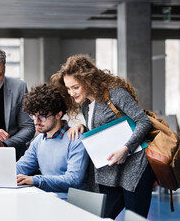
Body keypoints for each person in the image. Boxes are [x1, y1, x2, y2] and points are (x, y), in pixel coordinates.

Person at [50, 54, 156, 219]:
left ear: (88, 79)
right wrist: (82, 126)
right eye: (68, 88)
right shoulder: (86, 105)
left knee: (135, 218)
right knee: (100, 216)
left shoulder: (115, 94)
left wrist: (126, 148)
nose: (71, 93)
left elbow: (143, 122)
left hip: (136, 169)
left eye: (75, 87)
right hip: (112, 173)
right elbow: (104, 128)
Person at [16, 83, 89, 198]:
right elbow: (21, 167)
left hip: (72, 203)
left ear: (58, 115)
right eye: (33, 116)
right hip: (47, 200)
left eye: (42, 117)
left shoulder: (76, 139)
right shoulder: (38, 140)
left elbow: (73, 179)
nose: (36, 122)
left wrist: (36, 180)